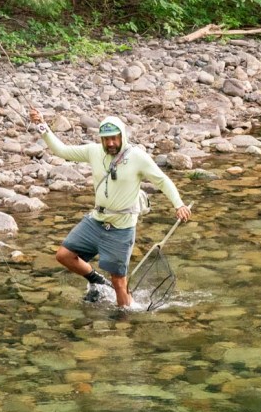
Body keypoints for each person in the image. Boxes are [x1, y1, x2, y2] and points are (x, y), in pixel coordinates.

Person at [29, 108, 191, 307]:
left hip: (122, 228)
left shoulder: (137, 157)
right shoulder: (93, 151)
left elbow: (162, 181)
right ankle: (96, 279)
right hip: (96, 220)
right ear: (101, 139)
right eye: (106, 139)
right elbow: (62, 151)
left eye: (115, 138)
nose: (111, 143)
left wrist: (179, 204)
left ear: (122, 136)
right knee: (64, 255)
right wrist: (42, 126)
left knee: (119, 282)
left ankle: (123, 324)